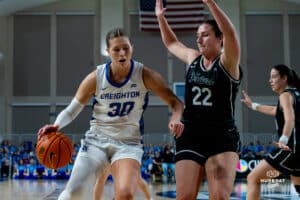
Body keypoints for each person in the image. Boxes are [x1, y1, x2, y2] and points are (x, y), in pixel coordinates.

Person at [37, 27, 184, 200]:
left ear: (132, 48)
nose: (122, 53)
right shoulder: (95, 77)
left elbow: (176, 102)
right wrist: (56, 125)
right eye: (116, 49)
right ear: (108, 52)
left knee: (126, 194)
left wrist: (175, 117)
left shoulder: (146, 75)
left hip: (128, 144)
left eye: (126, 48)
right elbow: (72, 110)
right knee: (73, 193)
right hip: (97, 141)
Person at [155, 0, 242, 199]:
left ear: (219, 39)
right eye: (197, 36)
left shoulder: (228, 62)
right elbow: (171, 43)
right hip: (191, 133)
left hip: (221, 136)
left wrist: (209, 2)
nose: (199, 40)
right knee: (184, 196)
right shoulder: (193, 58)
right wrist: (161, 19)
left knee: (219, 196)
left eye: (205, 35)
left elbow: (231, 33)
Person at [241, 64, 300, 199]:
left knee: (254, 178)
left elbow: (290, 119)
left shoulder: (285, 95)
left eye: (274, 77)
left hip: (290, 151)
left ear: (284, 78)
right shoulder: (296, 94)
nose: (270, 80)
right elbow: (276, 111)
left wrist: (283, 140)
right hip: (297, 156)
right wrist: (253, 105)